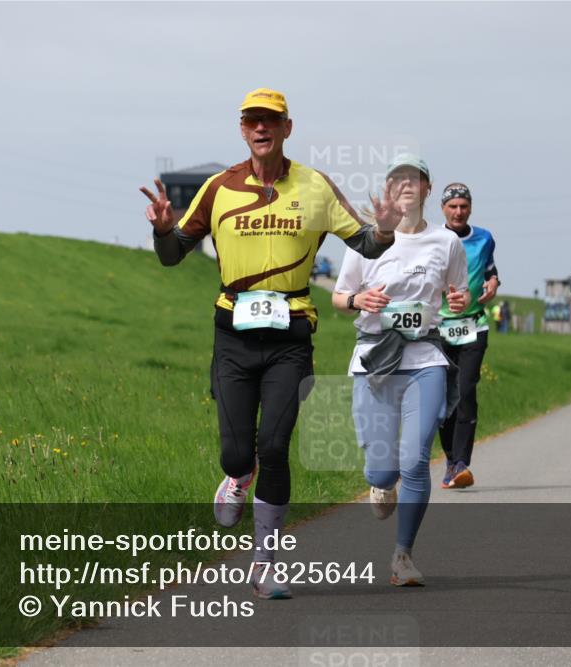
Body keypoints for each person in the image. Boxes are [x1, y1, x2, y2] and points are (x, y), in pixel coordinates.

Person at [141, 88, 400, 599]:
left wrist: (387, 231)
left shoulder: (315, 186)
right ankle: (238, 476)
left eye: (271, 121)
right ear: (242, 129)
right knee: (238, 454)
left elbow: (364, 242)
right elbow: (173, 257)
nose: (261, 128)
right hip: (232, 335)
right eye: (252, 121)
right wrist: (164, 232)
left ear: (287, 128)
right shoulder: (219, 188)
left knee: (275, 447)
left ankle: (265, 563)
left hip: (291, 334)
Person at [332, 154, 468, 586]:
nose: (408, 184)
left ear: (428, 189)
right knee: (382, 470)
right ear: (389, 191)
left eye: (416, 178)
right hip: (374, 360)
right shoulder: (366, 241)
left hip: (424, 360)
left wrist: (458, 302)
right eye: (398, 179)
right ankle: (379, 482)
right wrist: (359, 301)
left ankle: (403, 556)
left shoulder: (447, 242)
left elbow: (456, 294)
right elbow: (339, 296)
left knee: (415, 462)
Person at [434, 183, 498, 489]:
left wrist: (494, 281)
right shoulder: (431, 240)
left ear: (470, 208)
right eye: (452, 206)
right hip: (439, 329)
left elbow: (489, 269)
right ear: (443, 209)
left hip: (474, 326)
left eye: (463, 206)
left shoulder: (484, 238)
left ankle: (461, 463)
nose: (458, 211)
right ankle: (450, 458)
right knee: (443, 398)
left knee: (466, 391)